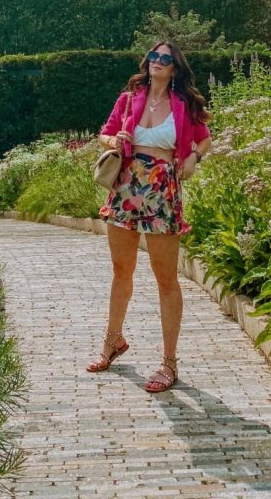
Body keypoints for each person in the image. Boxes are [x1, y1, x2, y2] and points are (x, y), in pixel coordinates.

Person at [86, 41, 211, 392]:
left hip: (162, 190)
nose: (157, 62)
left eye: (165, 59)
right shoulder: (129, 97)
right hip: (126, 186)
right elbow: (104, 134)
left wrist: (193, 158)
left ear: (175, 68)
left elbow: (204, 139)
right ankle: (113, 341)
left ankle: (169, 362)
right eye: (153, 56)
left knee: (165, 278)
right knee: (121, 270)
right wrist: (113, 142)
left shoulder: (184, 105)